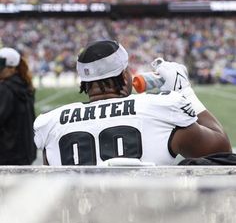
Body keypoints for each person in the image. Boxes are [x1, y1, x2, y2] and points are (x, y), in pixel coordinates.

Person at [34, 40, 232, 166]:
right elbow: (221, 150)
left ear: (85, 82)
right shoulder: (163, 108)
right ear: (124, 74)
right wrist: (185, 91)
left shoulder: (51, 122)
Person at [0, 47, 37, 165]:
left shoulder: (5, 89)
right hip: (26, 153)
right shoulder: (26, 86)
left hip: (8, 155)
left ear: (11, 68)